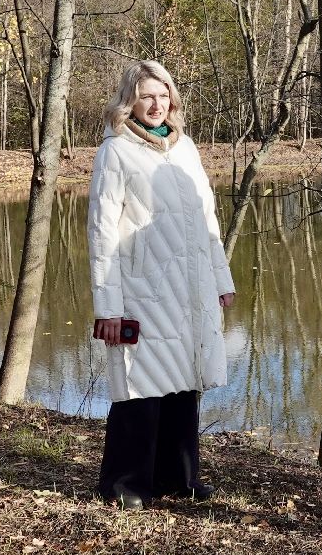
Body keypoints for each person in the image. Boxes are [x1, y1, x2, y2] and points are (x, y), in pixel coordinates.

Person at [87, 60, 236, 508]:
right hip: (141, 289)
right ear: (129, 100)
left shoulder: (185, 148)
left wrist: (220, 277)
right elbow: (102, 232)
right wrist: (107, 306)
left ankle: (179, 477)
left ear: (173, 99)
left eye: (163, 94)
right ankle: (125, 484)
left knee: (183, 383)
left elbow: (207, 219)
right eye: (146, 95)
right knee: (140, 387)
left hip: (190, 288)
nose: (156, 104)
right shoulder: (114, 152)